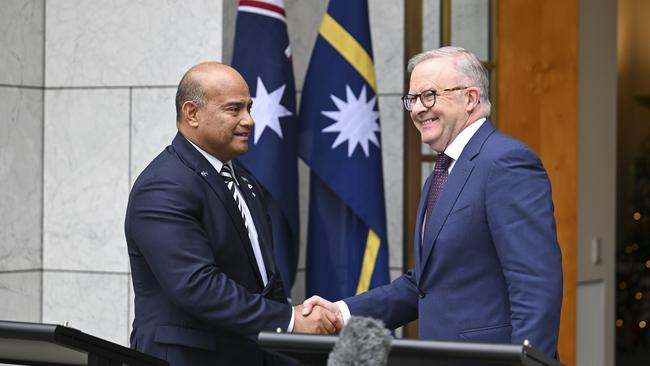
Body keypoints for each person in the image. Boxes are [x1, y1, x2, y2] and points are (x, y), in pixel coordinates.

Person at [303, 46, 563, 358]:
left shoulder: (506, 162)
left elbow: (535, 287)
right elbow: (426, 283)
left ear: (470, 98)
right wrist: (341, 312)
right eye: (412, 99)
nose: (416, 109)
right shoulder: (441, 173)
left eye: (429, 95)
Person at [125, 62, 341, 366]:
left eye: (249, 108)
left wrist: (289, 334)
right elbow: (197, 285)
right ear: (192, 113)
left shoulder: (244, 180)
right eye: (234, 109)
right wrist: (288, 320)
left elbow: (267, 278)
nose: (249, 120)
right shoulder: (163, 186)